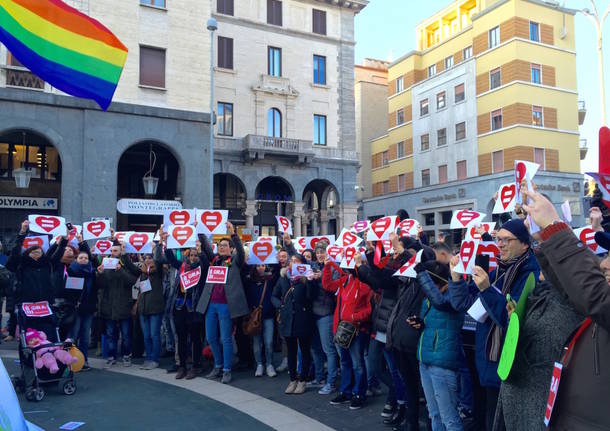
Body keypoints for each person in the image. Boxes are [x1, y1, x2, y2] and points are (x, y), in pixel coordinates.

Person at [500, 188, 610, 431]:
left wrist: (555, 230)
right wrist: (544, 238)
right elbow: (576, 288)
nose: (604, 262)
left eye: (506, 239)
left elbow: (594, 295)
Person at [448, 218, 540, 431]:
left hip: (511, 368)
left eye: (507, 240)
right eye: (499, 239)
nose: (500, 244)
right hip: (487, 363)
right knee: (488, 419)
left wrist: (487, 290)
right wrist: (456, 279)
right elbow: (463, 304)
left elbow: (513, 322)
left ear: (525, 244)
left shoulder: (532, 275)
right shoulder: (497, 272)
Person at [412, 258, 465, 431]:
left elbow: (441, 304)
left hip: (442, 365)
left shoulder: (454, 295)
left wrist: (422, 274)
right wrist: (420, 323)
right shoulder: (432, 295)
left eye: (430, 285)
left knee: (449, 419)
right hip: (426, 360)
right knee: (434, 414)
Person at [197, 222, 249, 384]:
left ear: (231, 248)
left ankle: (227, 370)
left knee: (226, 338)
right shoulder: (215, 260)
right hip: (211, 304)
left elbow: (240, 251)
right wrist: (199, 231)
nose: (221, 248)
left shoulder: (235, 261)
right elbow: (206, 247)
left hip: (226, 305)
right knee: (211, 337)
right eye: (220, 245)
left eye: (225, 246)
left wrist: (233, 234)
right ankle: (218, 365)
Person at [323, 253, 373, 410]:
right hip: (341, 328)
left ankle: (359, 393)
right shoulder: (346, 280)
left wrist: (354, 317)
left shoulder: (366, 284)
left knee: (357, 363)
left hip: (356, 329)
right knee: (345, 362)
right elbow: (328, 285)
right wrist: (326, 267)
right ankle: (347, 391)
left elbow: (370, 309)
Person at [271, 254, 316, 395]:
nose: (293, 263)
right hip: (287, 319)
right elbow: (274, 296)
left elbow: (311, 296)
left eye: (297, 261)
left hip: (303, 319)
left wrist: (309, 281)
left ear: (303, 264)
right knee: (291, 351)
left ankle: (303, 380)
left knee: (304, 350)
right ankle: (292, 380)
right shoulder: (284, 277)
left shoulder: (306, 279)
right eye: (291, 261)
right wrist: (281, 306)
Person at [6, 221, 58, 340]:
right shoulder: (22, 266)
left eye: (38, 252)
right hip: (27, 306)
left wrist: (63, 241)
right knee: (29, 337)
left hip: (44, 306)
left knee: (46, 336)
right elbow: (14, 254)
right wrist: (22, 232)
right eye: (33, 252)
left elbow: (57, 254)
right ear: (27, 254)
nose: (36, 254)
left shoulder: (47, 265)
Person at [164, 239, 207, 380]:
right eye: (190, 255)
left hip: (193, 309)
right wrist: (165, 242)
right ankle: (182, 366)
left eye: (195, 255)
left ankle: (196, 366)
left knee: (195, 339)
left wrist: (200, 250)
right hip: (179, 307)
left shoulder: (201, 268)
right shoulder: (181, 266)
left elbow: (205, 262)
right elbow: (170, 257)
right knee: (181, 338)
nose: (192, 258)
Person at [121, 239, 166, 370]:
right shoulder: (142, 274)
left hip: (155, 309)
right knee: (146, 336)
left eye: (150, 258)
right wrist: (124, 254)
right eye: (146, 258)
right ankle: (148, 358)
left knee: (154, 335)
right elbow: (130, 266)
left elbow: (158, 259)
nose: (148, 260)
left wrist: (157, 246)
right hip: (143, 310)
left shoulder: (158, 273)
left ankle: (155, 359)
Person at [96, 242, 137, 368]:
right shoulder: (105, 265)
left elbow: (132, 281)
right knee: (110, 334)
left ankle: (126, 356)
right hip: (109, 307)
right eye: (112, 250)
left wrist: (120, 271)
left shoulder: (126, 266)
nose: (113, 253)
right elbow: (100, 285)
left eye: (116, 251)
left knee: (126, 335)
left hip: (123, 306)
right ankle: (111, 356)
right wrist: (101, 273)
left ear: (120, 252)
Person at [310, 241, 340, 395]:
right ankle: (319, 377)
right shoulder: (312, 265)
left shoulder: (334, 267)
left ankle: (331, 382)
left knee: (329, 349)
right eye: (318, 252)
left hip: (326, 313)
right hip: (313, 313)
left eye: (323, 252)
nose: (320, 255)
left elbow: (332, 287)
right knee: (315, 348)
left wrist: (320, 278)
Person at [66, 250, 97, 370]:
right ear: (76, 259)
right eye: (81, 258)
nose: (84, 260)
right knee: (73, 335)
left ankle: (84, 360)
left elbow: (94, 291)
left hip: (88, 309)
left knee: (85, 336)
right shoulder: (71, 271)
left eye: (86, 258)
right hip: (75, 309)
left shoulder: (92, 272)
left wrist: (94, 306)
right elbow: (70, 291)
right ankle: (69, 359)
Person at [244, 264, 277, 377]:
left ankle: (269, 364)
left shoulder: (270, 279)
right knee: (257, 342)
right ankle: (259, 364)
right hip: (255, 316)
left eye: (263, 265)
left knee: (269, 342)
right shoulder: (249, 280)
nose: (260, 268)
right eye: (258, 265)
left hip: (268, 315)